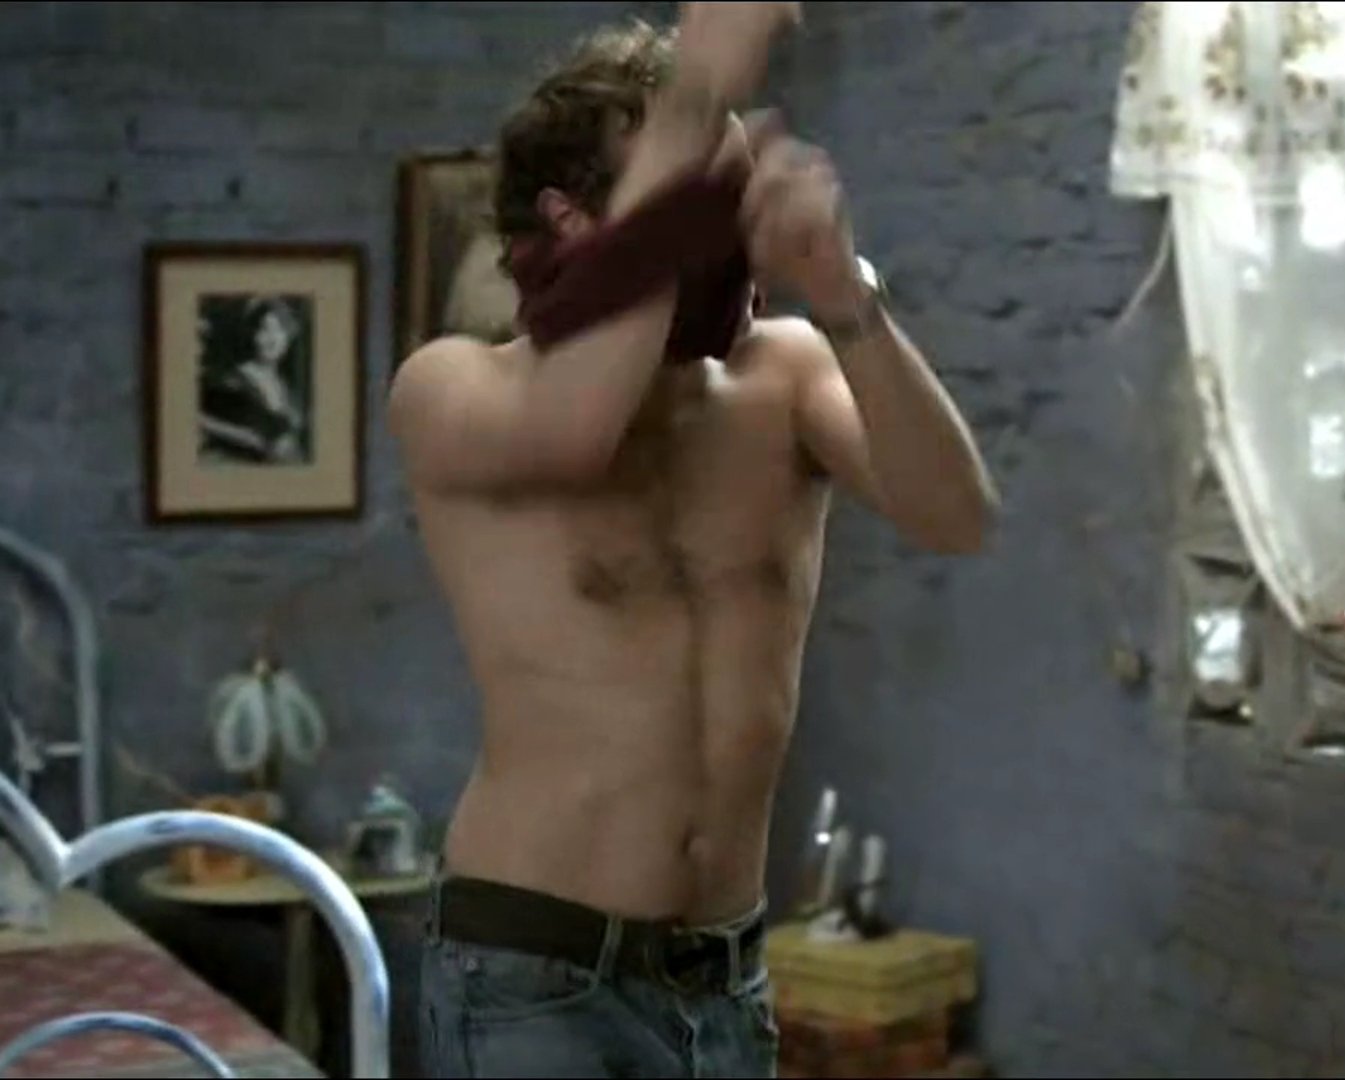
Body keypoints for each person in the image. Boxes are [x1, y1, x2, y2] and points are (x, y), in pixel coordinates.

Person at [385, 4, 999, 1076]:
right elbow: (577, 428)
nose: (724, 238)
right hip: (532, 973)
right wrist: (695, 94)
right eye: (693, 198)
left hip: (723, 980)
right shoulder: (453, 388)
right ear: (569, 221)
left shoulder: (783, 377)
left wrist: (841, 292)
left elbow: (957, 515)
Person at [199, 296, 310, 465]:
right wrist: (252, 440)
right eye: (265, 329)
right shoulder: (232, 380)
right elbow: (202, 421)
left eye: (280, 330)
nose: (273, 338)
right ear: (253, 334)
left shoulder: (283, 383)